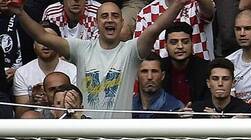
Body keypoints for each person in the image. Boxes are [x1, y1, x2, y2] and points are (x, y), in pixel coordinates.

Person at [16, 0, 191, 117]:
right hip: (87, 137)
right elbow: (42, 36)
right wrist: (20, 12)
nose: (110, 20)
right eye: (104, 16)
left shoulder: (131, 50)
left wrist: (179, 3)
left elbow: (156, 28)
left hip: (120, 139)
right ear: (97, 22)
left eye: (115, 16)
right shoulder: (81, 48)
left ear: (122, 23)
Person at [12, 21, 77, 117]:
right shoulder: (22, 72)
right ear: (33, 44)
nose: (45, 44)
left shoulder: (73, 70)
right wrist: (32, 100)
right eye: (41, 41)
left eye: (50, 40)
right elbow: (20, 114)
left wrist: (52, 99)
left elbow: (77, 106)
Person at [134, 0, 215, 61]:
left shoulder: (196, 4)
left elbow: (208, 12)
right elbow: (138, 53)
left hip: (198, 74)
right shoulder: (146, 13)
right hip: (163, 77)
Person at [162, 21, 210, 105]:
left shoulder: (206, 69)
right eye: (174, 42)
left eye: (185, 42)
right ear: (165, 46)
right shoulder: (158, 69)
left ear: (192, 43)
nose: (180, 46)